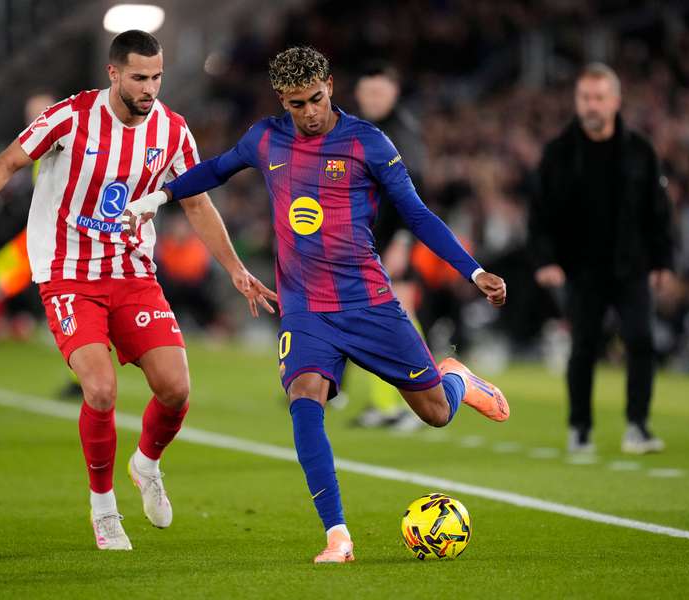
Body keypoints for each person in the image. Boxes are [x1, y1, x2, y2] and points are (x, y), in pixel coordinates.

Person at [122, 46, 509, 563]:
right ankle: (337, 535)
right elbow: (215, 169)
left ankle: (458, 379)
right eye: (296, 104)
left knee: (436, 413)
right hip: (304, 308)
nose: (308, 113)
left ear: (330, 85)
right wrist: (157, 199)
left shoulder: (368, 143)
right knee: (305, 401)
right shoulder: (265, 138)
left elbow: (417, 215)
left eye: (316, 99)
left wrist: (475, 270)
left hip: (366, 301)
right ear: (282, 100)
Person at [0, 30, 276, 551]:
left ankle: (146, 464)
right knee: (100, 389)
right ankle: (103, 508)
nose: (150, 89)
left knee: (175, 389)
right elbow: (12, 159)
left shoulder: (171, 130)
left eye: (157, 78)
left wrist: (236, 269)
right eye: (139, 78)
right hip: (67, 273)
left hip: (132, 272)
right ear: (113, 74)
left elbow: (196, 202)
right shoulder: (71, 117)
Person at [528, 63, 674, 455]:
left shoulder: (640, 150)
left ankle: (637, 426)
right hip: (581, 268)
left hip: (632, 264)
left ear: (615, 100)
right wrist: (545, 260)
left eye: (598, 97)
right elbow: (539, 213)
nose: (591, 105)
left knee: (641, 340)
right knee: (584, 347)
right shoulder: (558, 153)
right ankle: (580, 428)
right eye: (584, 98)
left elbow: (658, 210)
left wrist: (663, 261)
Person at [351, 63, 430, 431]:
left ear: (394, 93)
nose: (372, 99)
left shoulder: (403, 134)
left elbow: (416, 194)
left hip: (396, 236)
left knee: (399, 315)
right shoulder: (364, 130)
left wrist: (402, 240)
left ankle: (427, 398)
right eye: (367, 93)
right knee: (371, 319)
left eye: (379, 93)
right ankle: (384, 406)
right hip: (369, 237)